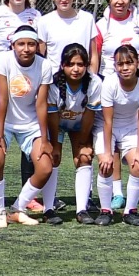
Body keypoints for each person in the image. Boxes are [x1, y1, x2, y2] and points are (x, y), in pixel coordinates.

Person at [93, 0, 139, 214]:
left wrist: (138, 70)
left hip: (136, 89)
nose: (120, 1)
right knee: (110, 145)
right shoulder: (101, 25)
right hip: (111, 90)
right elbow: (96, 56)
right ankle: (118, 193)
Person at [0, 25, 52, 227]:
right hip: (2, 120)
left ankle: (17, 209)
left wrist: (45, 138)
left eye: (31, 44)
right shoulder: (3, 60)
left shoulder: (44, 65)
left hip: (30, 124)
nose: (26, 48)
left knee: (45, 167)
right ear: (13, 45)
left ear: (37, 46)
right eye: (21, 44)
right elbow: (3, 99)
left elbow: (41, 104)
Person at [97, 45, 139, 227]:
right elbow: (107, 121)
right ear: (114, 66)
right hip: (108, 127)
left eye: (129, 63)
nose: (125, 68)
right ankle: (106, 210)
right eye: (120, 64)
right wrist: (107, 152)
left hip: (131, 128)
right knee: (106, 165)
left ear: (138, 64)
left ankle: (130, 211)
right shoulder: (109, 84)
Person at [45, 43, 103, 224]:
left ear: (87, 66)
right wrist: (54, 143)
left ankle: (82, 210)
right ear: (63, 65)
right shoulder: (53, 84)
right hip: (58, 125)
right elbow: (53, 117)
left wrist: (84, 142)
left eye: (80, 64)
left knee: (84, 157)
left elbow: (89, 115)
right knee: (53, 158)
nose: (76, 69)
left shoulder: (95, 82)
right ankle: (48, 209)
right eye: (71, 64)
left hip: (80, 125)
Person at [34, 0, 98, 68]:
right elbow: (40, 57)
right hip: (55, 79)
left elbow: (93, 55)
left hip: (83, 79)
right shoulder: (44, 22)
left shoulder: (87, 19)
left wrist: (92, 78)